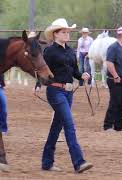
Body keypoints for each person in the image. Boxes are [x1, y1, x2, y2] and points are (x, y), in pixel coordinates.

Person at [40, 18, 93, 173]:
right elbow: (42, 69)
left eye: (68, 32)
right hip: (55, 92)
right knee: (69, 125)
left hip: (69, 92)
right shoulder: (49, 51)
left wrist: (81, 75)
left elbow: (74, 71)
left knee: (57, 127)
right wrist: (38, 85)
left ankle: (46, 162)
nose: (67, 34)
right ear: (55, 34)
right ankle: (79, 162)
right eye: (64, 32)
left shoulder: (70, 50)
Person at [103, 26, 122, 132]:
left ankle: (119, 126)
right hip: (116, 79)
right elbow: (109, 62)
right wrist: (115, 75)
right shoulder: (113, 47)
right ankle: (108, 125)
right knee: (115, 102)